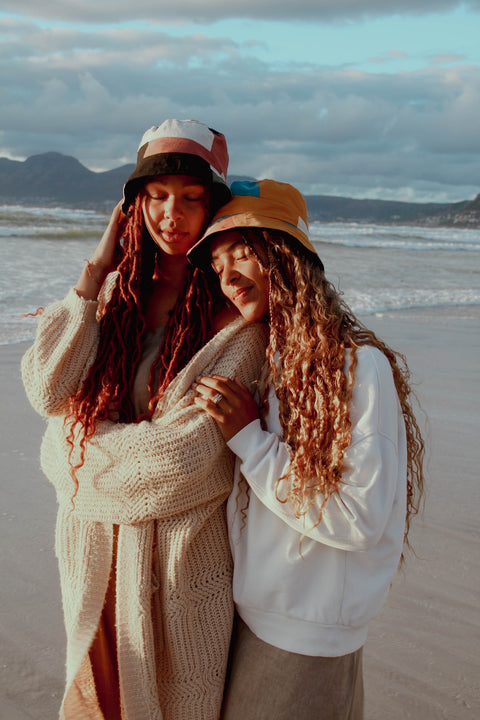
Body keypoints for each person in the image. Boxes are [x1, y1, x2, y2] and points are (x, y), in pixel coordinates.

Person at [21, 121, 267, 720]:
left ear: (214, 205)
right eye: (156, 197)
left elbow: (179, 462)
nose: (171, 215)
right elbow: (49, 394)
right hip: (92, 555)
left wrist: (77, 452)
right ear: (132, 207)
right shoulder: (111, 303)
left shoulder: (235, 322)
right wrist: (91, 277)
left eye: (191, 197)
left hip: (179, 566)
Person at [190, 179, 425, 719]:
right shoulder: (273, 364)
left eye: (243, 253)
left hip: (305, 638)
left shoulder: (357, 369)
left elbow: (357, 518)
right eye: (217, 263)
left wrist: (250, 439)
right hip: (256, 621)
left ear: (288, 255)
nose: (226, 276)